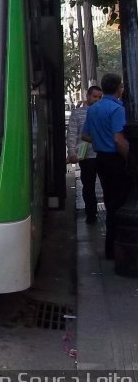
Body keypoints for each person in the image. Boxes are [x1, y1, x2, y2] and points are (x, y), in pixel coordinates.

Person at [82, 73, 131, 260]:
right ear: (118, 88)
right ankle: (117, 247)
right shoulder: (117, 109)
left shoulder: (93, 109)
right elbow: (119, 139)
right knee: (120, 204)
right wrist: (130, 160)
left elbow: (85, 135)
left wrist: (100, 139)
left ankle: (111, 248)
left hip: (101, 159)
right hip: (116, 160)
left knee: (111, 202)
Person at [66, 85, 103, 224]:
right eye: (95, 97)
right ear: (87, 96)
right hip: (86, 157)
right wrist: (72, 152)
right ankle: (91, 214)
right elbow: (72, 134)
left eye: (100, 97)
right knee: (88, 186)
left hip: (102, 155)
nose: (97, 100)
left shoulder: (103, 112)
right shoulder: (78, 113)